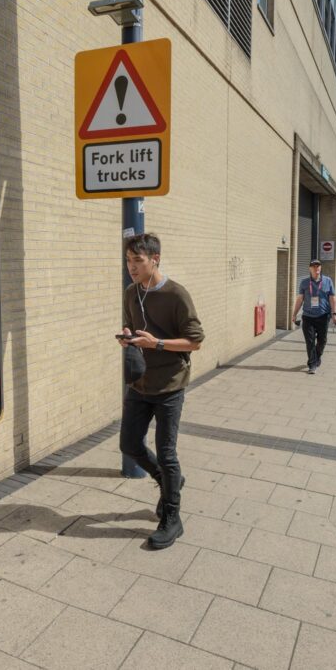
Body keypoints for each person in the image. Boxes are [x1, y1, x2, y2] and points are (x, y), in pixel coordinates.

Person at [117, 233, 205, 550]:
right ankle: (170, 483)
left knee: (166, 454)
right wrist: (128, 337)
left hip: (170, 385)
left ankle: (172, 517)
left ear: (155, 259)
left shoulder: (176, 295)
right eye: (128, 261)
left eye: (137, 261)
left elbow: (195, 340)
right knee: (129, 443)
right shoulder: (130, 293)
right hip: (140, 383)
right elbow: (131, 325)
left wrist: (157, 343)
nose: (131, 267)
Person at [292, 260, 336, 374]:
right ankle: (312, 364)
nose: (316, 268)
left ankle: (317, 357)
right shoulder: (304, 282)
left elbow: (332, 298)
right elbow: (300, 299)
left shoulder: (328, 281)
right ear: (310, 269)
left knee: (322, 341)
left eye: (318, 266)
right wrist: (294, 314)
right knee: (310, 342)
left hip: (323, 316)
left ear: (321, 268)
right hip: (308, 317)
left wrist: (334, 314)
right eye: (313, 266)